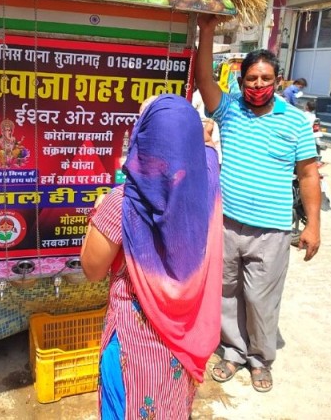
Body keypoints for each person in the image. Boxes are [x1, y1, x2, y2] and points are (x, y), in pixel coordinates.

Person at [196, 15, 321, 393]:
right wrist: (205, 31)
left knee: (262, 299)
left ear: (278, 81)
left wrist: (313, 225)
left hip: (272, 228)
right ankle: (233, 352)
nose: (258, 84)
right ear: (241, 80)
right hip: (227, 223)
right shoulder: (230, 110)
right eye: (251, 78)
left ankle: (260, 359)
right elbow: (203, 80)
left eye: (266, 78)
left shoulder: (296, 122)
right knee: (226, 291)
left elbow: (308, 175)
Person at [81, 94, 223, 418]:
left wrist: (98, 213)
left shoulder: (121, 205)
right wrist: (201, 136)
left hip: (135, 350)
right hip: (185, 348)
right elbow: (209, 150)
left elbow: (91, 269)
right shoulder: (210, 187)